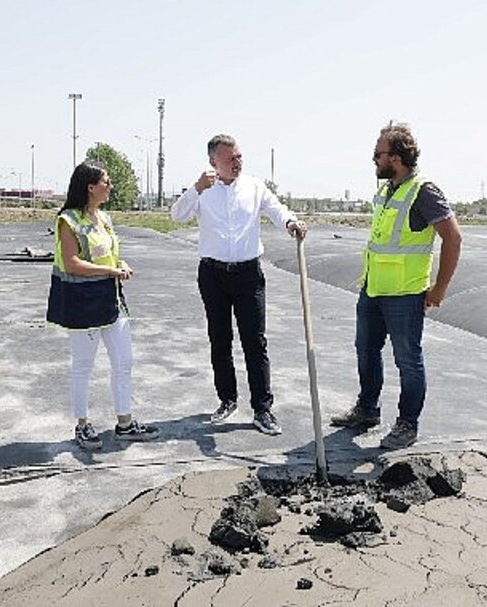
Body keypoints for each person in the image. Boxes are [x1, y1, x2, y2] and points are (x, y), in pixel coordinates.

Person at [330, 122, 462, 449]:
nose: (374, 159)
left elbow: (453, 237)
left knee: (408, 360)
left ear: (398, 157)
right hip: (373, 290)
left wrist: (440, 287)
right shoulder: (388, 190)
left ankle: (407, 424)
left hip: (405, 294)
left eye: (379, 154)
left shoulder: (424, 191)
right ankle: (366, 410)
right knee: (365, 350)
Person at [170, 134, 307, 436]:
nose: (237, 163)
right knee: (220, 340)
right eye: (230, 158)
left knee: (255, 342)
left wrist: (291, 223)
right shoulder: (203, 191)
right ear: (213, 162)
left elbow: (276, 209)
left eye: (239, 157)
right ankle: (227, 399)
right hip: (213, 275)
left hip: (248, 275)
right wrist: (195, 189)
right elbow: (176, 215)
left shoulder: (254, 186)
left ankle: (262, 408)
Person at [46, 161, 159, 449]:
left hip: (111, 300)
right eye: (106, 181)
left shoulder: (104, 218)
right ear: (90, 186)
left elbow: (109, 254)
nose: (110, 186)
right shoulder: (68, 220)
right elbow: (72, 263)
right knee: (83, 365)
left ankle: (125, 422)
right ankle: (82, 424)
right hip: (82, 304)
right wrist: (111, 271)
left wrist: (120, 263)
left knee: (124, 361)